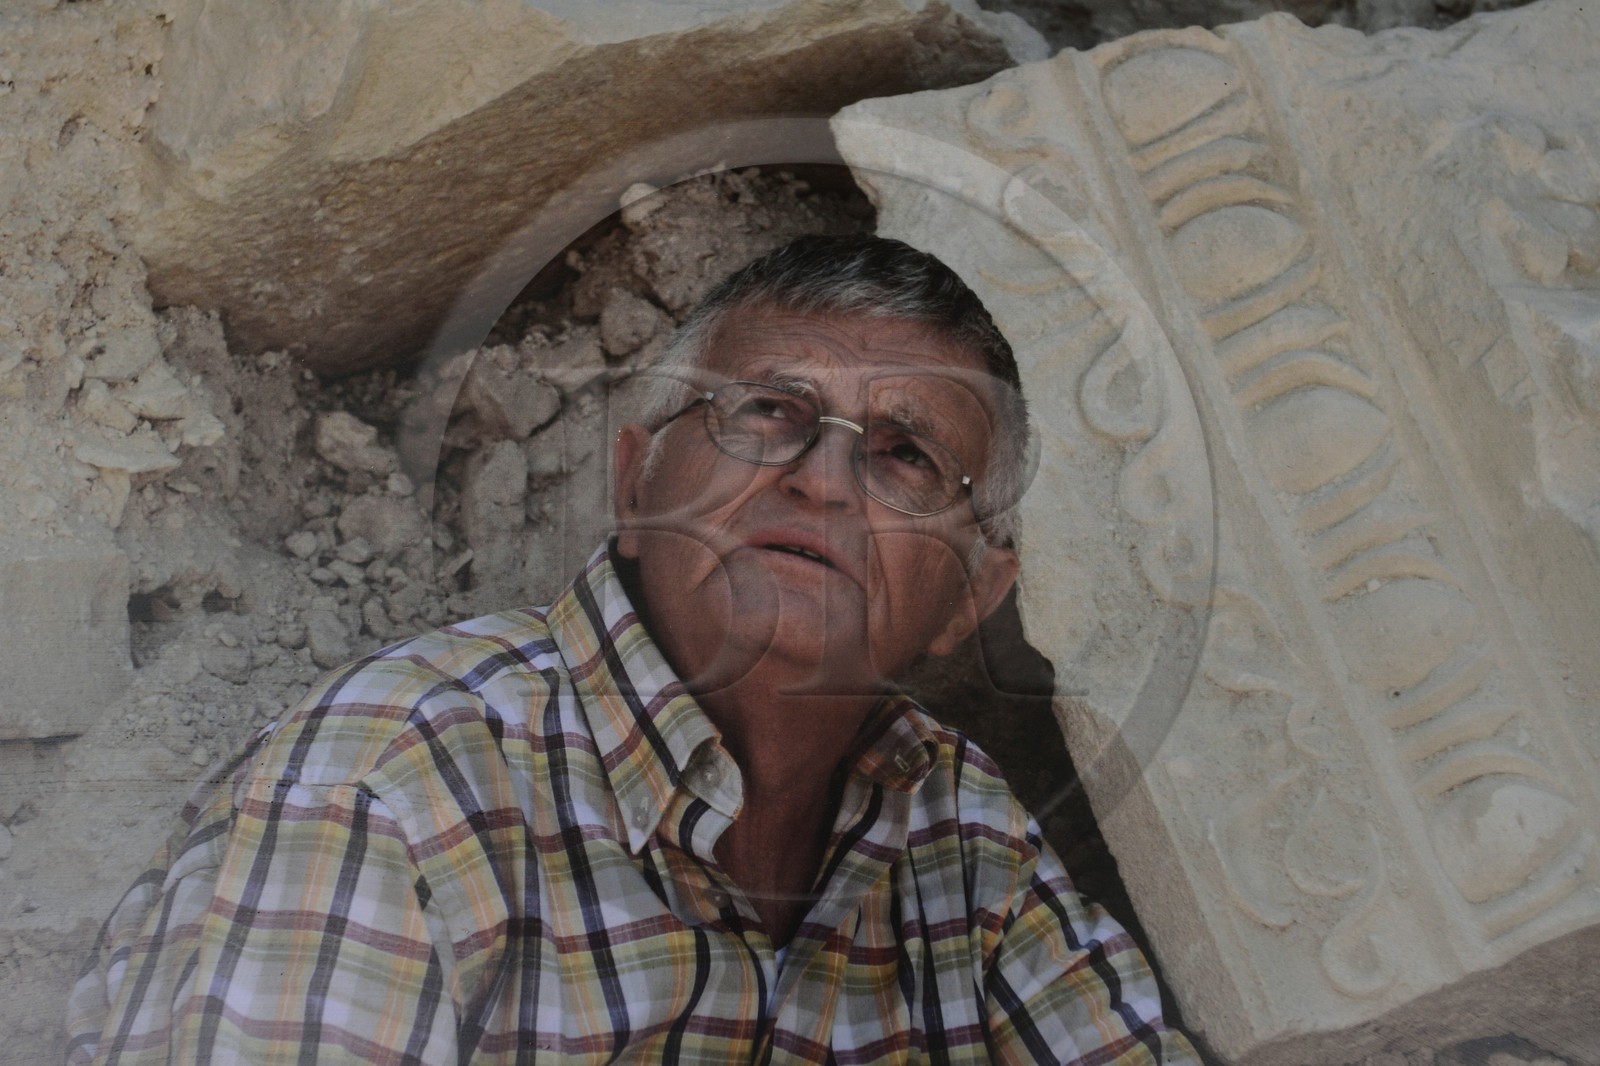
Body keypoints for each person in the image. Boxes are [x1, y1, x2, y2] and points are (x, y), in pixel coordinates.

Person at [67, 236, 1198, 1064]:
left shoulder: (961, 832)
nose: (820, 475)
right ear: (634, 481)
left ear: (971, 598)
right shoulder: (399, 785)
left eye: (903, 454)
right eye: (766, 411)